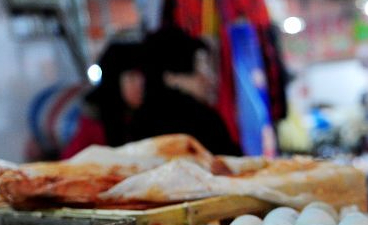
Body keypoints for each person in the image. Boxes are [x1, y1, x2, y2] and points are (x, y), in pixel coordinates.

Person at [141, 28, 241, 156]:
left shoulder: (140, 120)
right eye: (200, 68)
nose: (210, 79)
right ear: (171, 78)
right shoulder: (205, 121)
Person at [62, 41, 150, 158]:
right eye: (132, 77)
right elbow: (70, 164)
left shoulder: (149, 113)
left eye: (142, 76)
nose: (141, 85)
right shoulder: (95, 121)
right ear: (114, 82)